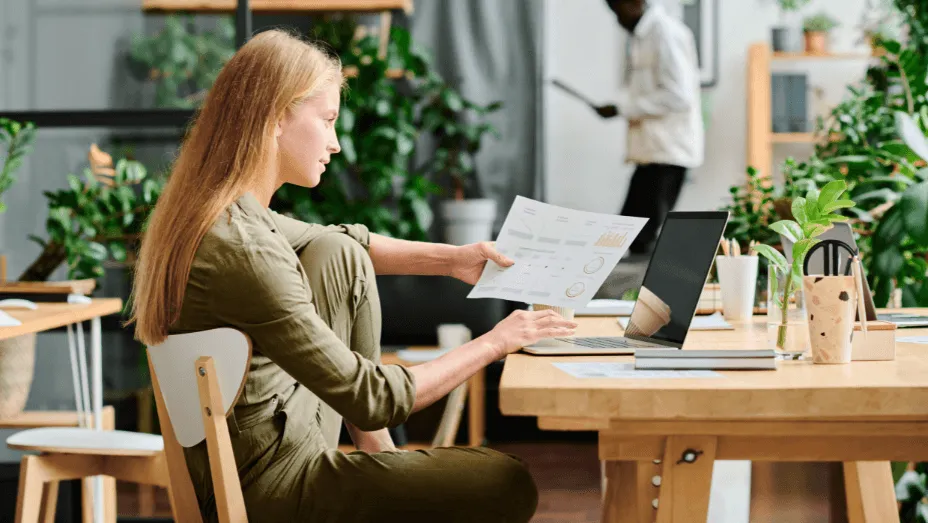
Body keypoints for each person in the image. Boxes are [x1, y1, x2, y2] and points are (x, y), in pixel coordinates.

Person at [129, 30, 577, 523]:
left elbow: (353, 241)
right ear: (278, 115)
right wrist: (496, 341)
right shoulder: (244, 250)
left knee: (337, 250)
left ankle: (378, 458)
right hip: (272, 490)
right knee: (506, 480)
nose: (336, 143)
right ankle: (382, 464)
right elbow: (374, 397)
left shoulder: (214, 214)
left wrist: (454, 258)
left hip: (268, 452)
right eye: (326, 121)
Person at [597, 0, 704, 255]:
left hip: (667, 151)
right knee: (626, 235)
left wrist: (623, 109)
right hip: (651, 153)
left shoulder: (665, 33)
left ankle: (641, 293)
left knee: (638, 238)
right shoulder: (642, 35)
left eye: (616, 8)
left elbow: (679, 95)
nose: (616, 17)